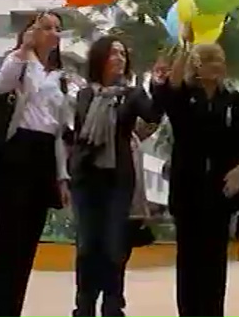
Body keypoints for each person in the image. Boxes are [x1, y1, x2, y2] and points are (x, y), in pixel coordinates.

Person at [159, 26, 239, 317]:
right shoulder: (184, 96)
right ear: (197, 66)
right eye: (210, 60)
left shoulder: (233, 100)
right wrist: (185, 46)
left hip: (221, 192)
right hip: (187, 190)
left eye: (219, 59)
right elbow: (169, 89)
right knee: (189, 258)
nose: (217, 65)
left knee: (215, 259)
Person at [0, 12, 73, 317]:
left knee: (28, 242)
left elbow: (61, 132)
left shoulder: (61, 76)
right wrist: (23, 50)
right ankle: (2, 308)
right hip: (16, 150)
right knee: (8, 238)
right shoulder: (19, 61)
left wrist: (62, 178)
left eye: (57, 29)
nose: (52, 33)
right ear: (31, 31)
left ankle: (14, 306)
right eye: (45, 27)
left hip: (46, 155)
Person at [69, 36, 163, 317]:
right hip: (86, 178)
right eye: (113, 53)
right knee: (87, 246)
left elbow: (153, 114)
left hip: (118, 180)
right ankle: (84, 305)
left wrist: (157, 85)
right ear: (100, 59)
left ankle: (113, 305)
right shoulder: (85, 95)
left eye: (123, 53)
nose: (119, 58)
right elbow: (78, 133)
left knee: (113, 246)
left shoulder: (132, 95)